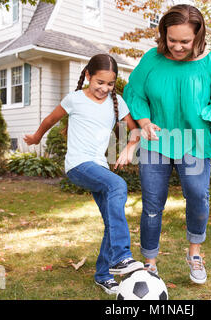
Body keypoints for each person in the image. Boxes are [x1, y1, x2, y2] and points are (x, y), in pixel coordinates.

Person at [123, 4, 211, 284]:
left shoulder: (210, 64)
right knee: (151, 203)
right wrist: (145, 122)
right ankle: (149, 263)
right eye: (172, 40)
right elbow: (134, 93)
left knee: (198, 196)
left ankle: (195, 254)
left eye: (185, 41)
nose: (177, 46)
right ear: (163, 34)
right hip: (156, 142)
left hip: (194, 143)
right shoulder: (151, 59)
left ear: (198, 36)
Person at [24, 54, 143, 295]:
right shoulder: (75, 99)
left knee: (112, 220)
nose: (104, 88)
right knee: (118, 185)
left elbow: (135, 130)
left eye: (110, 84)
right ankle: (121, 257)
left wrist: (130, 148)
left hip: (98, 167)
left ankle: (103, 275)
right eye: (100, 82)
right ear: (88, 75)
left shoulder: (117, 101)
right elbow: (50, 119)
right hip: (78, 165)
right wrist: (37, 137)